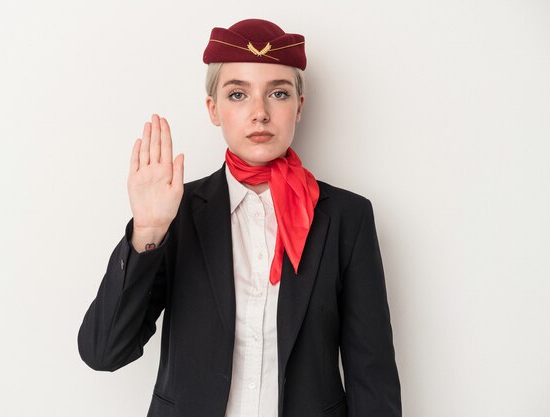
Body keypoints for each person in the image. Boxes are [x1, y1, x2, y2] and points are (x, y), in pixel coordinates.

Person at [78, 18, 401, 417]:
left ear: (299, 106)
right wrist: (148, 230)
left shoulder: (347, 218)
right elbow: (104, 351)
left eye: (278, 93)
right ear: (213, 109)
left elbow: (373, 378)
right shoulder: (175, 212)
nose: (259, 113)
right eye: (237, 95)